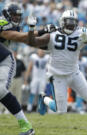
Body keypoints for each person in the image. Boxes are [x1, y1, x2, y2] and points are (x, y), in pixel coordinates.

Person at [26, 10, 87, 114]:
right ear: (62, 22)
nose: (70, 25)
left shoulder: (81, 33)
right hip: (57, 75)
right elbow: (32, 42)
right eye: (68, 22)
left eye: (73, 22)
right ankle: (44, 98)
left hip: (74, 73)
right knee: (61, 111)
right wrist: (32, 28)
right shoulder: (52, 33)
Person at [0, 3, 35, 135]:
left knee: (1, 90)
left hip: (4, 61)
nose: (16, 18)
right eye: (14, 15)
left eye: (17, 15)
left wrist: (36, 30)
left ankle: (26, 126)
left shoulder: (6, 26)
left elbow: (21, 37)